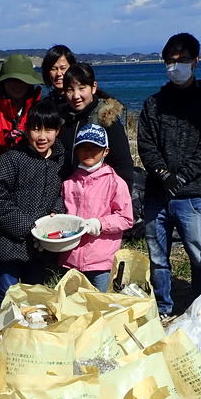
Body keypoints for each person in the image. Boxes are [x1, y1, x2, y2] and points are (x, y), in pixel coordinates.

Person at [137, 33, 201, 316]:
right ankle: (163, 306)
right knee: (157, 256)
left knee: (198, 255)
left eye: (183, 60)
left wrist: (183, 176)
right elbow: (146, 144)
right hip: (157, 193)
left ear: (196, 61)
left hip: (193, 194)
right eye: (170, 61)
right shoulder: (153, 103)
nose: (176, 67)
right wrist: (163, 174)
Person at [0, 100, 66, 307]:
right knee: (6, 295)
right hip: (5, 241)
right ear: (26, 130)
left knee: (33, 296)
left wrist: (57, 209)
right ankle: (2, 326)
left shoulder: (60, 160)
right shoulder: (13, 158)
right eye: (36, 129)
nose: (42, 136)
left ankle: (27, 327)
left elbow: (61, 192)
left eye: (48, 130)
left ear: (58, 131)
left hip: (38, 245)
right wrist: (24, 226)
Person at [58, 124, 133, 292]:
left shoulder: (115, 182)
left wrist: (100, 224)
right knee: (71, 301)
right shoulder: (68, 183)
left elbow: (126, 218)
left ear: (106, 151)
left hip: (100, 261)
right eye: (84, 147)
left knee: (98, 301)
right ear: (76, 150)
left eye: (95, 148)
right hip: (70, 258)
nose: (89, 152)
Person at [58, 63, 134, 191]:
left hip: (100, 194)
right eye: (70, 90)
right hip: (67, 193)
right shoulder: (61, 119)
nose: (76, 96)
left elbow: (123, 165)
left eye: (82, 88)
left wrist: (121, 196)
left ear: (93, 87)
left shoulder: (106, 119)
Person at [0, 54, 43, 152]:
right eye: (11, 80)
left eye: (22, 81)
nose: (17, 85)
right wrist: (5, 138)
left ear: (29, 84)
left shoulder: (41, 110)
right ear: (3, 83)